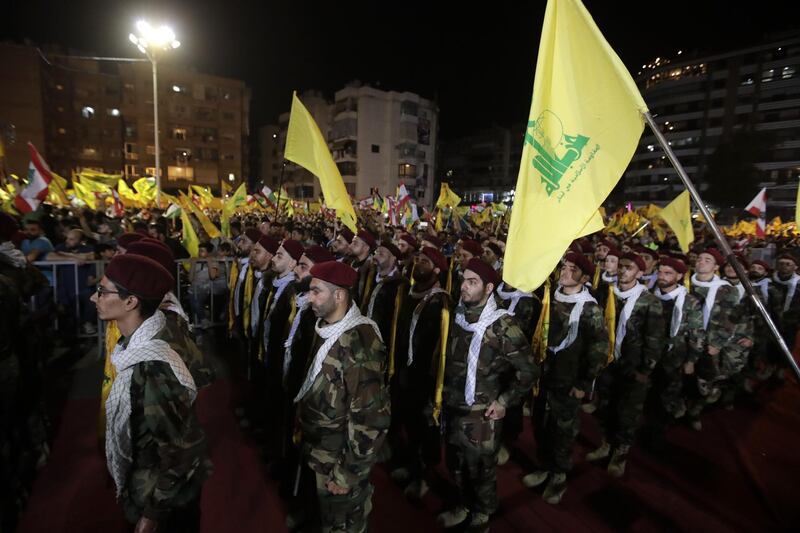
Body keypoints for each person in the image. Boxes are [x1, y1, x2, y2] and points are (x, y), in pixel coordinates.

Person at [92, 254, 210, 533]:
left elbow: (181, 448)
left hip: (164, 499)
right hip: (146, 485)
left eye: (102, 291)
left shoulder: (154, 364)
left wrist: (152, 514)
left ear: (131, 301)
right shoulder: (131, 348)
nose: (93, 298)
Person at [438, 258, 538, 531]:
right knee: (455, 463)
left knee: (481, 470)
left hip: (482, 415)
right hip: (453, 405)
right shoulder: (456, 315)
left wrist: (504, 401)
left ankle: (482, 516)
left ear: (489, 287)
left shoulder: (503, 325)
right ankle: (463, 504)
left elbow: (528, 370)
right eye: (464, 280)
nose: (464, 287)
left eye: (473, 282)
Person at [295, 261, 391, 533]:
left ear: (339, 296)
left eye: (316, 292)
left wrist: (346, 473)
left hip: (339, 459)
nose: (309, 298)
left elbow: (372, 419)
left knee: (343, 525)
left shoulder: (358, 343)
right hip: (321, 452)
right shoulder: (328, 327)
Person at [523, 252, 607, 504]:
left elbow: (599, 350)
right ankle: (545, 466)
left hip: (569, 382)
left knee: (563, 430)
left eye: (573, 269)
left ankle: (558, 475)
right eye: (564, 267)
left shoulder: (590, 309)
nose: (566, 272)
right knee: (540, 423)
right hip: (544, 378)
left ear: (584, 276)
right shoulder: (549, 299)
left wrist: (584, 383)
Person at [586, 252, 664, 477]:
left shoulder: (649, 301)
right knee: (605, 406)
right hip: (608, 363)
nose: (622, 270)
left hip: (633, 367)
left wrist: (645, 369)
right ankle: (606, 444)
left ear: (640, 273)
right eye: (621, 266)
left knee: (627, 412)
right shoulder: (608, 294)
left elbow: (654, 339)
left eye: (629, 267)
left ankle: (621, 452)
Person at [646, 256, 704, 448]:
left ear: (679, 276)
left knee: (666, 398)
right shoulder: (648, 296)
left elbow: (696, 334)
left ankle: (657, 434)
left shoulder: (689, 302)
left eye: (668, 273)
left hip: (673, 358)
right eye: (660, 272)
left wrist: (691, 361)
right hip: (648, 356)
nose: (662, 276)